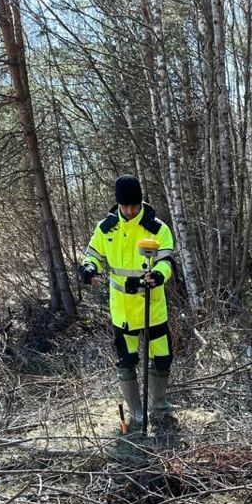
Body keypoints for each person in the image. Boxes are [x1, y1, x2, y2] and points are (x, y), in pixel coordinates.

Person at [78, 174, 175, 426]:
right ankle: (136, 413)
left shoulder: (157, 228)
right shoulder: (106, 228)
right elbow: (93, 256)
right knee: (127, 361)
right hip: (122, 310)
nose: (130, 210)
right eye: (125, 205)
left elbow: (167, 262)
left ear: (141, 202)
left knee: (163, 356)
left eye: (134, 205)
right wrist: (89, 268)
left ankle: (159, 407)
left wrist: (158, 275)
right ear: (118, 203)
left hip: (153, 308)